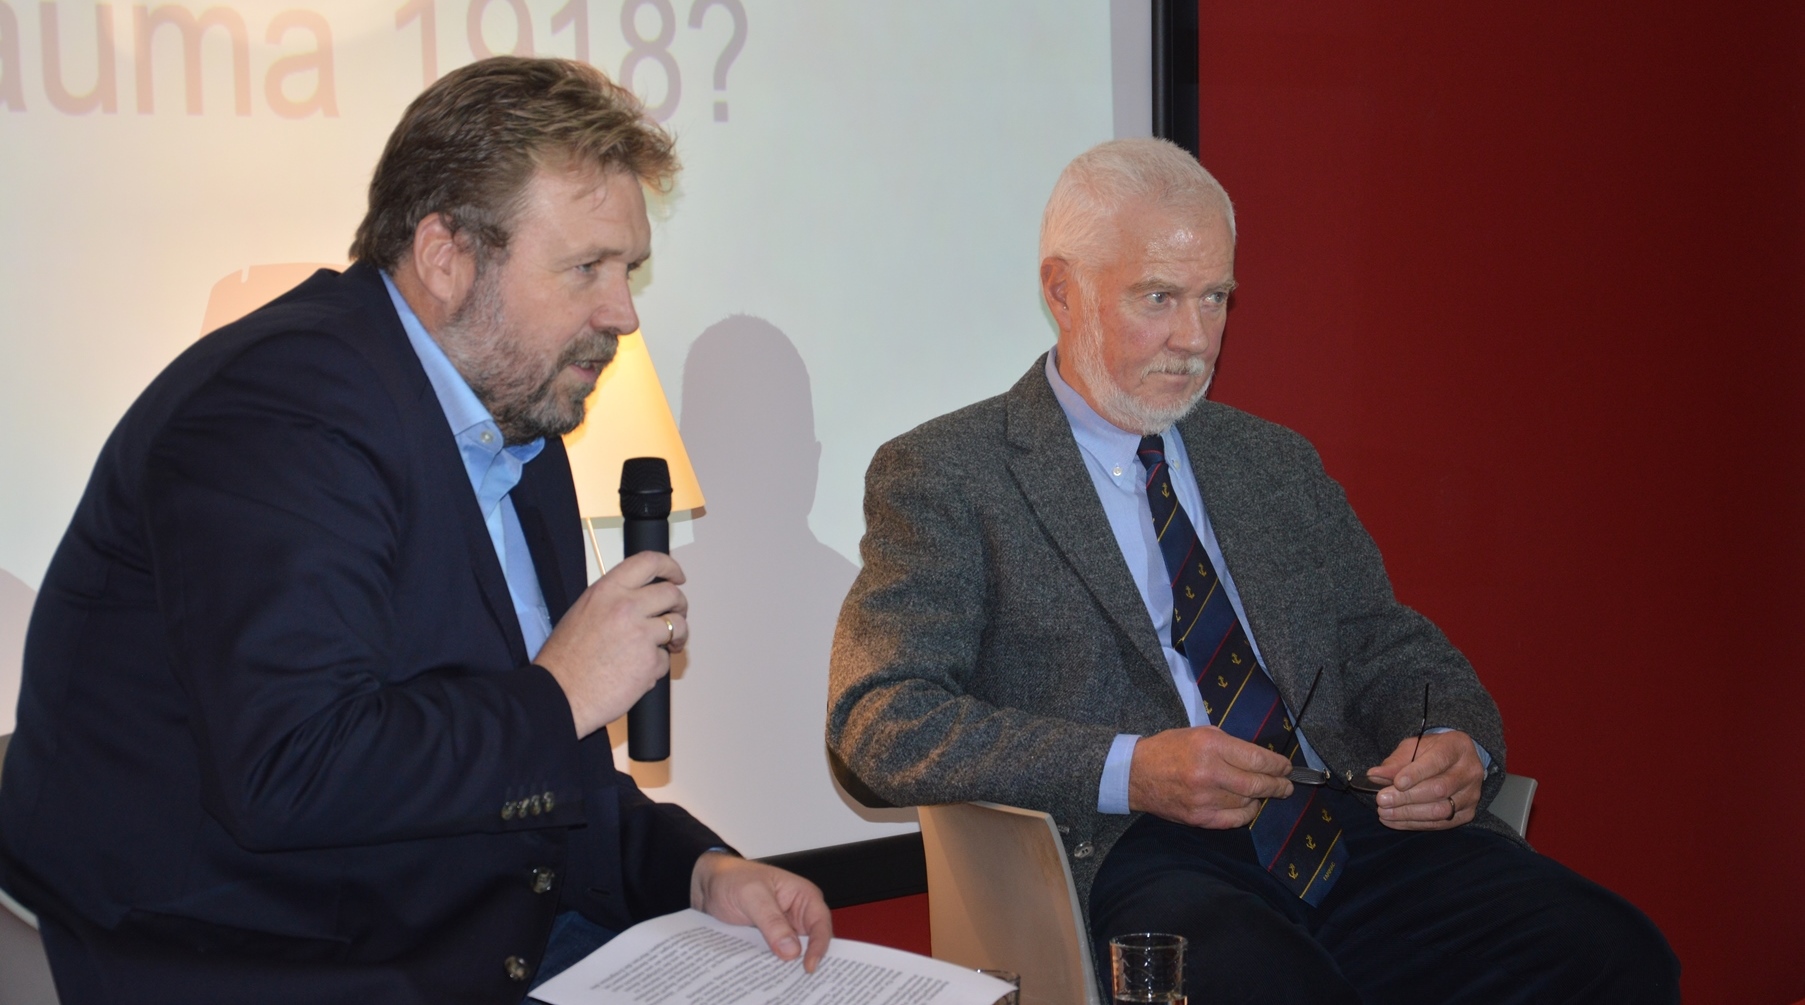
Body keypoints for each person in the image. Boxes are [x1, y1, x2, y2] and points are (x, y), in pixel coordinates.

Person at [0, 57, 829, 1004]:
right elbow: (293, 772)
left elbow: (529, 771)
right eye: (586, 268)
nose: (623, 313)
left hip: (438, 930)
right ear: (445, 256)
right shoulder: (278, 412)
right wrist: (558, 689)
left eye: (628, 268)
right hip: (250, 957)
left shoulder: (516, 426)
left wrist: (698, 871)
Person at [826, 137, 1677, 1003]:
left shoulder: (1272, 462)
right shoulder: (949, 472)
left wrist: (1455, 739)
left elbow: (1387, 644)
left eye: (1215, 298)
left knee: (1613, 951)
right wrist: (1131, 764)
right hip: (1140, 853)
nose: (1193, 340)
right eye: (1157, 297)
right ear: (1061, 290)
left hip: (1343, 827)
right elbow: (877, 719)